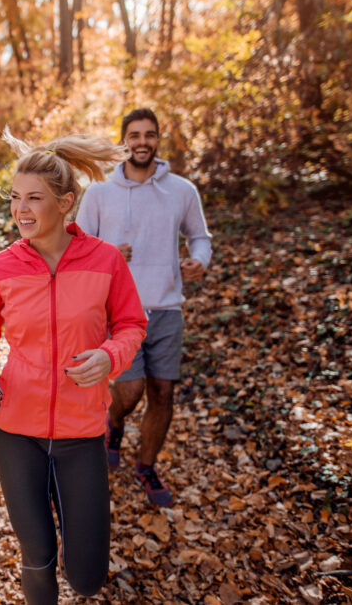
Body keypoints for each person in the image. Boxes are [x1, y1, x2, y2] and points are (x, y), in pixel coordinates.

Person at [0, 129, 148, 604]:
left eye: (35, 199)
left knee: (87, 577)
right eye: (15, 198)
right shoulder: (0, 268)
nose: (21, 210)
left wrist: (110, 356)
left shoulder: (105, 260)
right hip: (16, 430)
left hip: (81, 432)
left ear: (66, 202)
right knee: (38, 554)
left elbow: (131, 324)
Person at [75, 107, 212, 508]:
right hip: (118, 309)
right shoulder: (99, 191)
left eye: (149, 135)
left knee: (163, 393)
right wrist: (106, 254)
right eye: (134, 135)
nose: (142, 142)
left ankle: (147, 465)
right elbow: (77, 247)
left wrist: (200, 261)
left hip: (167, 306)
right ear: (124, 141)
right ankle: (113, 423)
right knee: (130, 389)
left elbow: (199, 237)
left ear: (158, 139)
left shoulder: (182, 190)